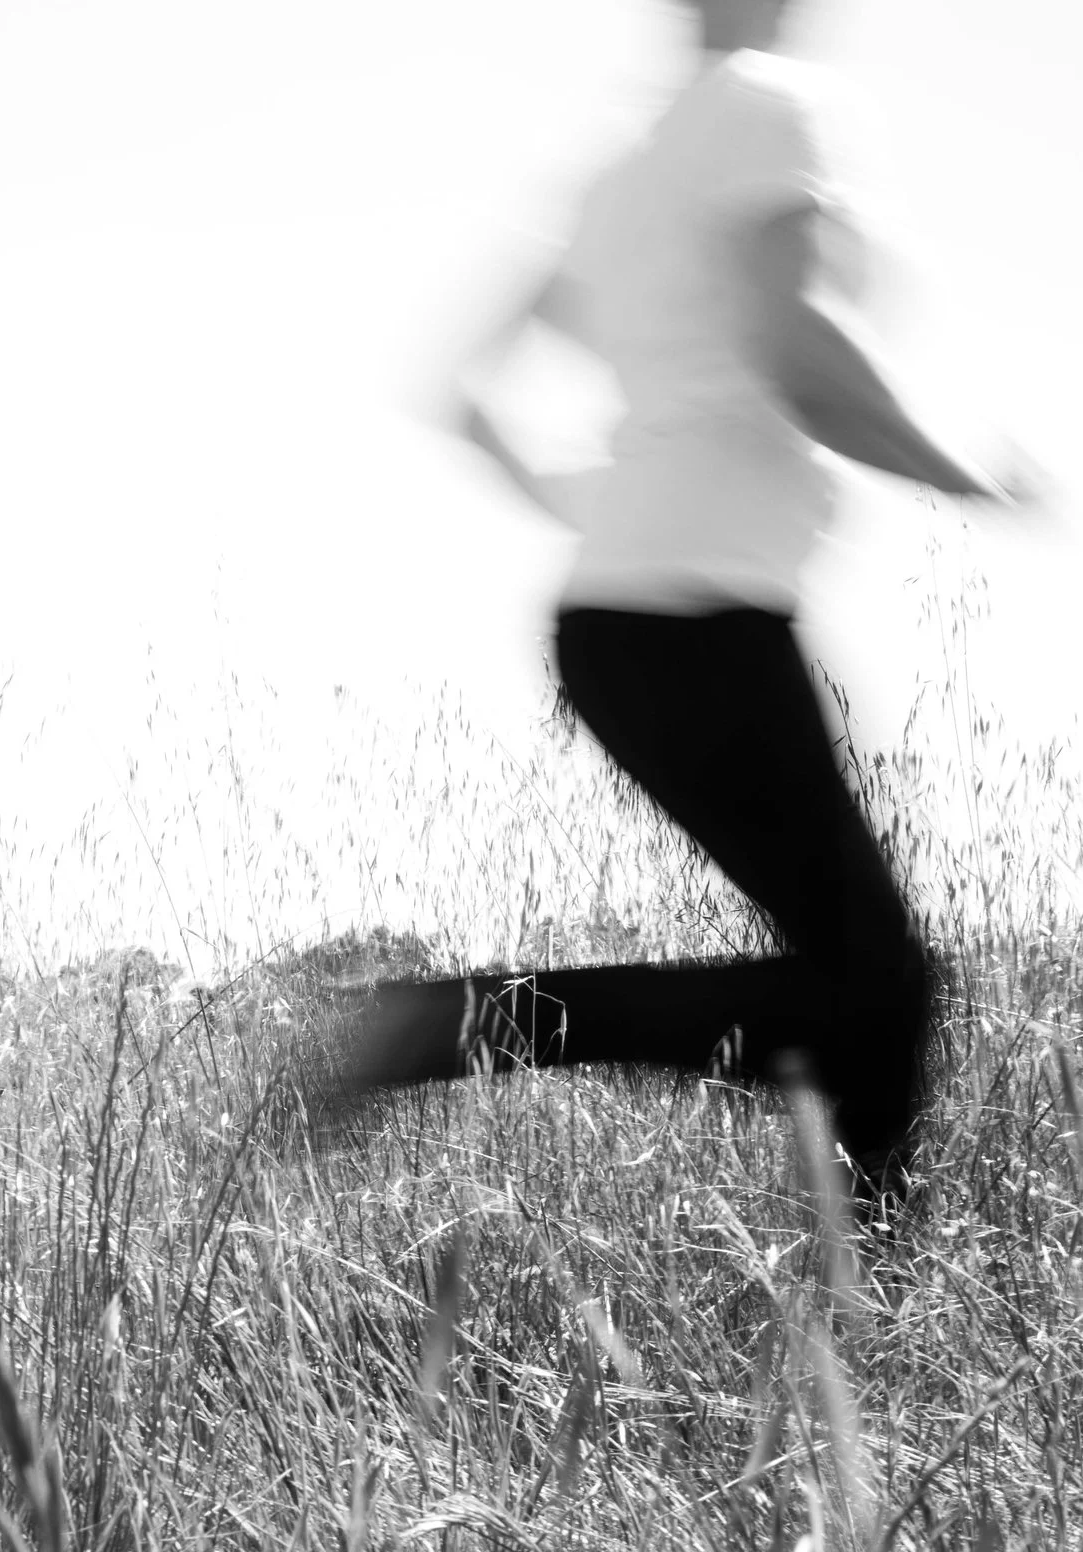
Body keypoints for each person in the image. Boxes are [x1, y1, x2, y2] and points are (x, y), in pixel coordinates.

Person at [346, 0, 1037, 1224]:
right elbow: (794, 349)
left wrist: (586, 498)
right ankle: (463, 1023)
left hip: (627, 615)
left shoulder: (628, 161)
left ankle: (479, 1026)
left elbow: (458, 388)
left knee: (863, 987)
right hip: (691, 616)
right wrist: (961, 473)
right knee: (875, 989)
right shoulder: (770, 104)